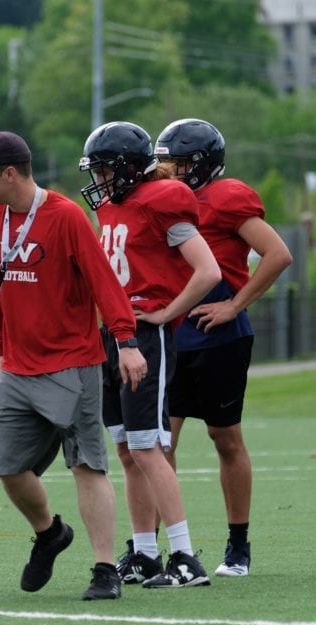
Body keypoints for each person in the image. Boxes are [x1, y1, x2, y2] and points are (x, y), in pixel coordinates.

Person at [0, 131, 147, 601]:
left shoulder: (65, 217)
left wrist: (126, 341)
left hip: (73, 363)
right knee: (10, 468)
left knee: (87, 465)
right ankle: (49, 533)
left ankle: (105, 569)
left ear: (11, 173)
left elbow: (104, 282)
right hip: (16, 368)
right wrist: (2, 349)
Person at [79, 120, 221, 588]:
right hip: (113, 334)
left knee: (148, 447)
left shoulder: (163, 200)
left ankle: (184, 556)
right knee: (127, 448)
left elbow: (208, 271)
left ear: (126, 168)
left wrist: (167, 315)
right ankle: (144, 553)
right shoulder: (116, 207)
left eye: (103, 169)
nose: (98, 180)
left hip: (143, 334)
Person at [149, 118, 293, 578]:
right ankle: (152, 548)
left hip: (217, 335)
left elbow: (278, 254)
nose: (166, 169)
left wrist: (234, 304)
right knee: (157, 442)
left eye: (175, 162)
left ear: (201, 164)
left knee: (224, 437)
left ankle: (237, 545)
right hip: (170, 335)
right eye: (163, 161)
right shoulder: (159, 200)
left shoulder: (227, 197)